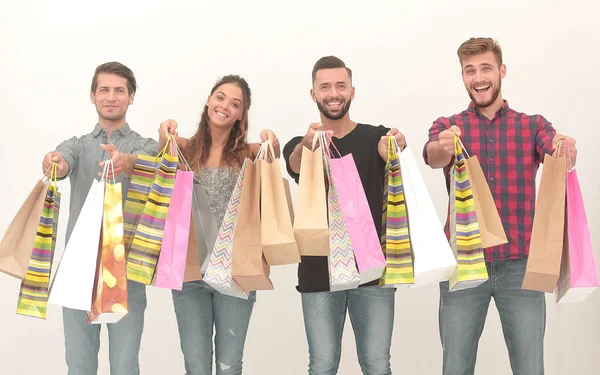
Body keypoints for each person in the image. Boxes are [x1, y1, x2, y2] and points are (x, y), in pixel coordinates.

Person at [423, 37, 578, 375]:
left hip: (521, 265)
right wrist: (443, 147)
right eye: (470, 71)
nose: (479, 78)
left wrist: (565, 149)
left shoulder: (533, 125)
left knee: (529, 366)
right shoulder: (448, 127)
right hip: (463, 263)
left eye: (486, 68)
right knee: (455, 366)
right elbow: (432, 156)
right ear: (463, 77)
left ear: (501, 71)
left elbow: (555, 151)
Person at [282, 56, 405, 375]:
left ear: (352, 91)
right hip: (318, 272)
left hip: (372, 273)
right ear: (313, 94)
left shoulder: (375, 136)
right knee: (322, 365)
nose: (333, 93)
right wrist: (308, 147)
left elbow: (394, 155)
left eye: (340, 85)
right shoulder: (302, 143)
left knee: (377, 364)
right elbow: (294, 164)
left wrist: (393, 147)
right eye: (325, 86)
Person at [157, 74, 280, 375]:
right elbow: (162, 150)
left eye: (235, 103)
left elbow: (272, 160)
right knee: (196, 366)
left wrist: (272, 144)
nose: (225, 105)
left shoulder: (249, 153)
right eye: (221, 97)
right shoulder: (185, 148)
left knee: (229, 366)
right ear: (209, 100)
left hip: (236, 271)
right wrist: (164, 131)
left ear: (241, 115)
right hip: (189, 274)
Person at [42, 62, 158, 375]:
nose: (111, 96)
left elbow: (153, 164)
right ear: (92, 96)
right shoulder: (77, 145)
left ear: (131, 97)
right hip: (78, 271)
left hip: (126, 272)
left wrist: (127, 162)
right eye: (104, 90)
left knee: (124, 366)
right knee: (79, 366)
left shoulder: (143, 145)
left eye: (119, 90)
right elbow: (61, 161)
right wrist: (55, 163)